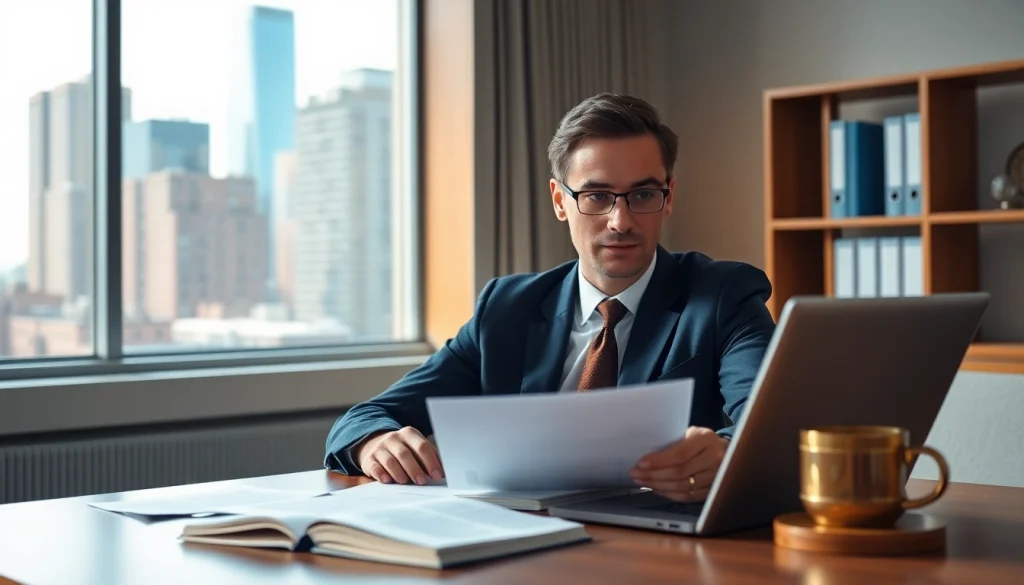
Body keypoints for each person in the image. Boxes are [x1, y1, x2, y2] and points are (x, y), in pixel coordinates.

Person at [324, 93, 776, 503]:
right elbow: (366, 416)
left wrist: (725, 454)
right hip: (520, 540)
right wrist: (372, 443)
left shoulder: (723, 296)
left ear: (669, 196)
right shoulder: (506, 308)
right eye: (597, 196)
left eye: (642, 194)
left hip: (655, 547)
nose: (620, 220)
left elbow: (772, 427)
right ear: (560, 200)